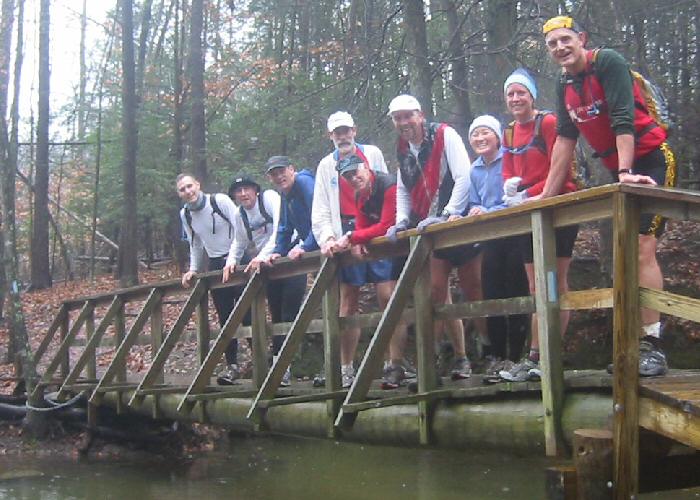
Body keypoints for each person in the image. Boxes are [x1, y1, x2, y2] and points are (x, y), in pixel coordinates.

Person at [540, 16, 677, 376]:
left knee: (643, 247)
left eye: (565, 40)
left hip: (651, 161)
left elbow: (623, 118)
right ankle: (631, 344)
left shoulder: (609, 61)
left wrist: (627, 173)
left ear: (581, 38)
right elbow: (565, 141)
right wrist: (544, 198)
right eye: (552, 44)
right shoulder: (564, 83)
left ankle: (653, 346)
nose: (560, 48)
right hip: (621, 169)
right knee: (624, 251)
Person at [496, 68, 579, 383]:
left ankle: (547, 355)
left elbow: (563, 171)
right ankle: (534, 356)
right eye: (510, 94)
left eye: (521, 93)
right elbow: (506, 171)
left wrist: (528, 193)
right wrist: (510, 189)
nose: (516, 99)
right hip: (527, 213)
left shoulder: (548, 123)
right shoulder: (508, 132)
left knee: (555, 282)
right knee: (535, 287)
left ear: (532, 96)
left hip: (557, 210)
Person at [385, 94, 477, 380]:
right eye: (397, 118)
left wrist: (449, 212)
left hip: (455, 220)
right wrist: (401, 219)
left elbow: (464, 175)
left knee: (473, 287)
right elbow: (403, 187)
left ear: (420, 115)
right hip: (426, 225)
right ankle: (442, 358)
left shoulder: (444, 134)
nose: (404, 123)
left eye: (408, 116)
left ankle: (475, 354)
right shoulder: (402, 147)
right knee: (436, 292)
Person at [311, 111, 389, 388]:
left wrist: (384, 225)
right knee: (349, 300)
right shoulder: (325, 166)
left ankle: (394, 363)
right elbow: (320, 207)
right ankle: (346, 368)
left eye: (346, 131)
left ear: (354, 130)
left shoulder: (373, 154)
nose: (342, 136)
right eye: (337, 133)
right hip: (343, 229)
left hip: (375, 226)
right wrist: (328, 237)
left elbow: (386, 187)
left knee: (388, 294)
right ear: (330, 136)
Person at [330, 154, 412, 389]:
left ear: (366, 167)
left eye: (356, 172)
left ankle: (397, 363)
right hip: (388, 248)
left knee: (392, 300)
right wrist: (358, 239)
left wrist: (353, 237)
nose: (353, 178)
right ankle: (392, 366)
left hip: (407, 244)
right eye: (347, 176)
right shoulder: (360, 194)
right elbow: (363, 224)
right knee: (388, 301)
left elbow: (387, 224)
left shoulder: (389, 185)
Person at [464, 115, 529, 377]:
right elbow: (473, 201)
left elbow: (517, 195)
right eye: (475, 135)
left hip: (514, 231)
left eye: (485, 133)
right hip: (489, 237)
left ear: (497, 135)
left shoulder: (510, 158)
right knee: (491, 295)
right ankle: (496, 357)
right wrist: (475, 210)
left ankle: (515, 356)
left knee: (516, 291)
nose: (480, 139)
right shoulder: (474, 169)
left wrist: (488, 210)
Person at [222, 176, 296, 386]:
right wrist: (231, 261)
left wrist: (260, 256)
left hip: (291, 257)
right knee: (277, 316)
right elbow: (239, 240)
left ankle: (285, 367)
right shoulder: (239, 214)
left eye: (247, 189)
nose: (243, 194)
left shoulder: (270, 199)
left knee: (290, 314)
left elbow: (280, 230)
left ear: (255, 190)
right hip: (269, 267)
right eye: (239, 191)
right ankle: (280, 367)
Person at [176, 173, 241, 384]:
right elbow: (195, 243)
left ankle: (264, 365)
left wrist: (234, 258)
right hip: (214, 264)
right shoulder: (185, 214)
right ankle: (232, 366)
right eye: (182, 189)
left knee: (248, 313)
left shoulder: (219, 201)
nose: (188, 192)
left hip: (238, 259)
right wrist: (193, 269)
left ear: (198, 184)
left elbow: (240, 227)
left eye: (190, 186)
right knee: (225, 317)